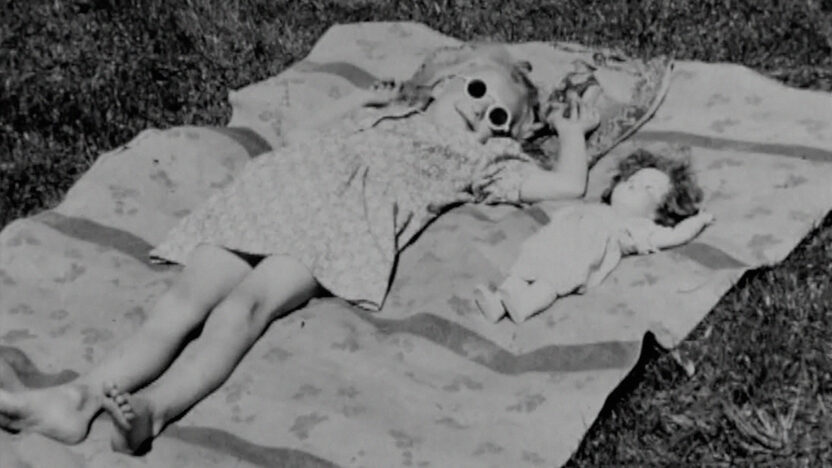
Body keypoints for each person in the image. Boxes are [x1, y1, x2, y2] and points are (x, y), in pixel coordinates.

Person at [0, 55, 600, 454]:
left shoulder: (480, 159)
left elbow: (567, 184)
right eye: (476, 89)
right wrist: (358, 100)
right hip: (277, 193)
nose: (478, 110)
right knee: (182, 301)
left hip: (343, 221)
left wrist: (569, 132)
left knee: (245, 307)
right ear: (448, 82)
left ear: (502, 134)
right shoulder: (388, 113)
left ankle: (154, 409)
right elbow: (300, 136)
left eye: (497, 116)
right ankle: (77, 398)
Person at [474, 149, 713, 323]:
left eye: (648, 189)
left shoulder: (635, 227)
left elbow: (674, 235)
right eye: (632, 180)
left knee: (551, 280)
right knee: (525, 266)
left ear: (657, 213)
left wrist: (698, 221)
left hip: (576, 257)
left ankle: (525, 305)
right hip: (552, 241)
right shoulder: (597, 208)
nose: (634, 185)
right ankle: (497, 303)